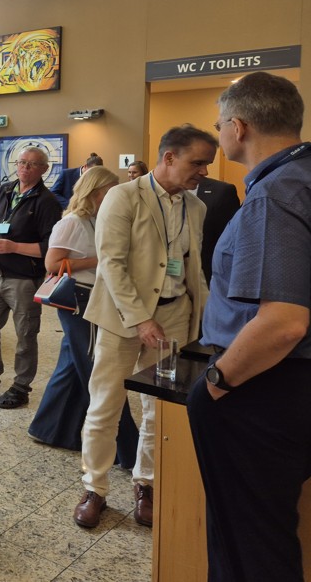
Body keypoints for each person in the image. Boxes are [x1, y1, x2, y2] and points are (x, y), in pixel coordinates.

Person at [187, 72, 311, 582]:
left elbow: (284, 323)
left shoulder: (274, 194)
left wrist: (216, 383)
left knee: (249, 541)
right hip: (288, 388)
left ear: (238, 127)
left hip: (264, 388)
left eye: (219, 125)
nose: (219, 134)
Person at [73, 124, 215, 530]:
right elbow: (111, 264)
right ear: (168, 157)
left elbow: (192, 268)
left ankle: (146, 483)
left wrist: (205, 319)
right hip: (122, 318)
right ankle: (94, 488)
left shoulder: (196, 207)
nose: (204, 171)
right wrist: (141, 318)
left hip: (174, 318)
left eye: (206, 163)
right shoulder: (123, 197)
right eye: (197, 162)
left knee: (159, 409)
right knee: (106, 403)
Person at [27, 167, 139, 467]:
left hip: (92, 298)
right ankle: (128, 449)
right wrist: (100, 259)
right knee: (99, 371)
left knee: (72, 364)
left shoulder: (97, 220)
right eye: (110, 190)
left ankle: (51, 429)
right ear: (95, 192)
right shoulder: (72, 222)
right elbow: (52, 264)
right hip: (78, 300)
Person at [0, 146, 61, 409]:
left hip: (23, 280)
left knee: (25, 335)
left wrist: (15, 247)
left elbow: (50, 248)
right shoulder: (4, 191)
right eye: (21, 162)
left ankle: (20, 387)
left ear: (44, 169)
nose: (25, 167)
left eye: (32, 164)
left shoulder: (47, 202)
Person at [193, 176, 240, 285]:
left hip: (207, 280)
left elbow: (231, 243)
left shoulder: (222, 191)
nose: (204, 171)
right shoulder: (154, 193)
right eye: (197, 165)